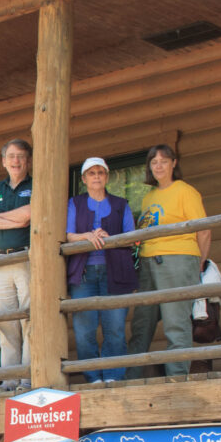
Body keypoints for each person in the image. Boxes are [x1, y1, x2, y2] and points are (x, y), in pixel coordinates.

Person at [127, 145, 210, 378]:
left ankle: (177, 378)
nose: (159, 166)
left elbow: (203, 230)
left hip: (178, 259)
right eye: (154, 162)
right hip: (147, 264)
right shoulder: (149, 197)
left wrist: (199, 264)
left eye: (164, 161)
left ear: (174, 163)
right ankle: (131, 378)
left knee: (176, 323)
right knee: (141, 325)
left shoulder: (185, 191)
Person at [65, 157, 138, 383]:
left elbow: (132, 238)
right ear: (84, 179)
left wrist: (112, 238)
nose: (97, 176)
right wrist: (86, 236)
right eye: (92, 173)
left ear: (106, 177)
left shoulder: (121, 204)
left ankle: (113, 376)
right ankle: (93, 378)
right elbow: (68, 235)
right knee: (84, 331)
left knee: (115, 328)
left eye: (101, 172)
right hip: (84, 274)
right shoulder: (74, 203)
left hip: (115, 272)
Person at [0, 139, 34, 393]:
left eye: (20, 156)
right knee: (4, 322)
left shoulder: (35, 184)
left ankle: (27, 379)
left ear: (28, 160)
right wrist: (16, 220)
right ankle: (9, 380)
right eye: (11, 156)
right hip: (0, 259)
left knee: (29, 320)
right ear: (3, 161)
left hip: (26, 257)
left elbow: (29, 215)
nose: (15, 161)